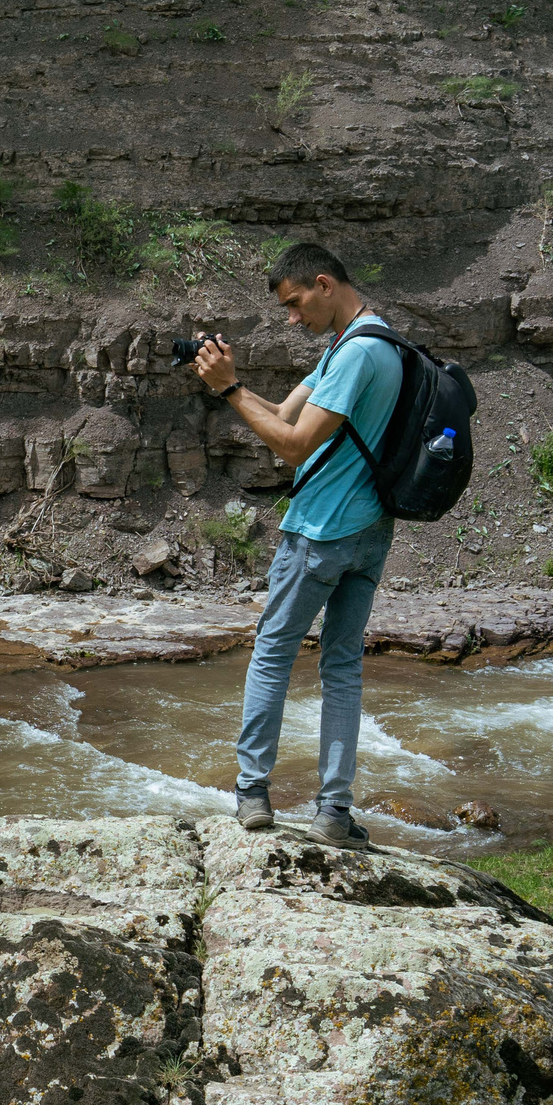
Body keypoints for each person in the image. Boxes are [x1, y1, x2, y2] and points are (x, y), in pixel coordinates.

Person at [188, 241, 401, 848]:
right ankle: (333, 812)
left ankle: (253, 794)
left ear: (325, 283)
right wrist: (229, 383)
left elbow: (292, 444)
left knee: (273, 653)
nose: (291, 318)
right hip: (370, 530)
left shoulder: (355, 354)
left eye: (295, 303)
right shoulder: (368, 341)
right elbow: (282, 412)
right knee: (342, 668)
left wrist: (229, 394)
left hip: (321, 530)